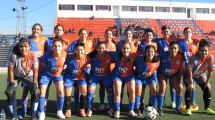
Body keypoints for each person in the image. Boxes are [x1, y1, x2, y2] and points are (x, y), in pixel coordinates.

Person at [5, 38, 39, 120]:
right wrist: (12, 83)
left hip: (29, 75)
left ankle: (33, 116)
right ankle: (14, 116)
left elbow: (35, 71)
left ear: (29, 47)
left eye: (25, 46)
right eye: (21, 46)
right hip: (15, 75)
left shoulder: (34, 55)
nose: (23, 48)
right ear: (18, 47)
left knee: (36, 93)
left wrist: (34, 84)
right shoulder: (13, 55)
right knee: (10, 93)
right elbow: (10, 70)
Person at [20, 23, 48, 118]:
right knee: (26, 90)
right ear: (32, 29)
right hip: (29, 71)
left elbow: (49, 53)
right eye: (34, 29)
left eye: (38, 29)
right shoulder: (27, 40)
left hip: (42, 70)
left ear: (41, 31)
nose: (36, 31)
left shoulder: (45, 40)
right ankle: (23, 109)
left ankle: (42, 108)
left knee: (43, 89)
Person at [185, 39, 215, 115]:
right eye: (202, 50)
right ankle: (188, 109)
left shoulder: (210, 58)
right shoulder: (193, 58)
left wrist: (207, 82)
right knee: (190, 87)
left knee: (207, 87)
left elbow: (210, 71)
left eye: (206, 51)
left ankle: (207, 108)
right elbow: (189, 71)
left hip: (200, 75)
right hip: (189, 75)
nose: (204, 52)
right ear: (198, 51)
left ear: (208, 51)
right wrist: (191, 83)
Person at [38, 38, 67, 120]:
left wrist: (61, 69)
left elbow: (67, 63)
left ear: (62, 47)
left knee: (61, 92)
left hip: (58, 75)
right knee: (42, 92)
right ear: (52, 46)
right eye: (55, 46)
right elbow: (43, 63)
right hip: (46, 74)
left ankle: (59, 111)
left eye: (59, 46)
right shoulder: (47, 54)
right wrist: (50, 69)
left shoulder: (65, 54)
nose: (57, 47)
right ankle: (42, 112)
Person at [86, 42, 115, 117]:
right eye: (99, 48)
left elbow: (119, 60)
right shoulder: (91, 56)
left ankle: (110, 108)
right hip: (94, 77)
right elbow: (83, 59)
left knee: (110, 91)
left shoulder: (109, 56)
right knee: (90, 92)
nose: (101, 50)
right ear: (96, 48)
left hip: (106, 76)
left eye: (103, 48)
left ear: (106, 49)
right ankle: (89, 109)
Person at [64, 42, 91, 118]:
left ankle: (82, 109)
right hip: (70, 77)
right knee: (67, 91)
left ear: (84, 50)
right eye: (77, 50)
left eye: (81, 50)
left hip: (81, 77)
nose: (79, 52)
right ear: (74, 50)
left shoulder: (87, 58)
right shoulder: (68, 57)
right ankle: (68, 110)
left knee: (84, 90)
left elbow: (93, 65)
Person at [157, 41, 184, 115]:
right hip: (162, 74)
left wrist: (180, 82)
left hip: (173, 75)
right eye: (171, 48)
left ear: (178, 49)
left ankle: (178, 108)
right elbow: (154, 60)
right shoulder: (162, 55)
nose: (173, 50)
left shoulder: (181, 57)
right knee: (163, 88)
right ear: (168, 49)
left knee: (179, 88)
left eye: (175, 48)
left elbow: (181, 71)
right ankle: (159, 108)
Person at [112, 42, 137, 118]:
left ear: (130, 49)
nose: (125, 50)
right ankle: (117, 110)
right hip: (118, 75)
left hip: (129, 75)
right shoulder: (116, 54)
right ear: (120, 49)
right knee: (117, 92)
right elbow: (105, 51)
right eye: (124, 48)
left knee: (132, 91)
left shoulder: (134, 55)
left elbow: (144, 57)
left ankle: (131, 110)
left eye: (127, 48)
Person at [178, 27, 199, 111]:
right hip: (182, 67)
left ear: (191, 33)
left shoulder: (195, 43)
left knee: (192, 85)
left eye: (189, 32)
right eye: (186, 32)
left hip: (191, 68)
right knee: (180, 86)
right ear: (184, 33)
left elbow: (197, 54)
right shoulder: (180, 42)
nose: (188, 33)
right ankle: (179, 103)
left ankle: (192, 103)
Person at [134, 45, 160, 115]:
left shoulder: (157, 59)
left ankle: (154, 108)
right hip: (139, 76)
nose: (150, 53)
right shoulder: (139, 59)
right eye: (148, 51)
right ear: (145, 52)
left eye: (152, 52)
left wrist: (151, 72)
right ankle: (137, 108)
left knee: (154, 90)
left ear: (155, 52)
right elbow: (132, 65)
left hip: (151, 77)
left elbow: (156, 67)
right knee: (138, 90)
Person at [98, 29, 117, 111]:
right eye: (107, 34)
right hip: (102, 69)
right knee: (102, 86)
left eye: (110, 34)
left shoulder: (115, 45)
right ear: (104, 35)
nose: (108, 35)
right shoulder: (101, 44)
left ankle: (110, 104)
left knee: (110, 88)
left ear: (112, 36)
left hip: (111, 69)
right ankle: (102, 103)